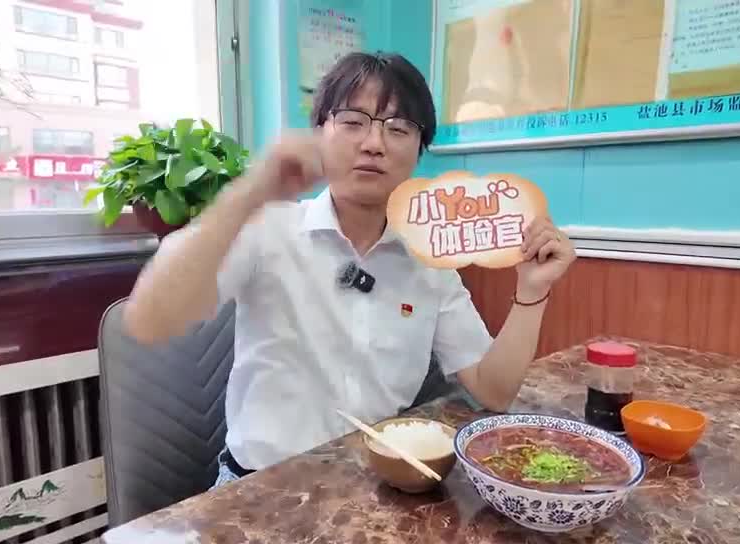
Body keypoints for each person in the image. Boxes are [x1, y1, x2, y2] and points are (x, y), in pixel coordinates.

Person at [123, 52, 577, 487]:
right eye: (353, 122)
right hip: (258, 488)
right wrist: (251, 191)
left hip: (372, 488)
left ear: (419, 151)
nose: (374, 144)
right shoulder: (268, 229)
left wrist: (532, 291)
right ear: (321, 132)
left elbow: (494, 390)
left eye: (398, 128)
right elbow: (150, 319)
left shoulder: (429, 262)